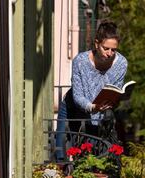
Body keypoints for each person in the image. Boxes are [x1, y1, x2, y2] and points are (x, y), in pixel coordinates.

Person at [55, 21, 128, 160]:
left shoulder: (121, 63)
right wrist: (92, 107)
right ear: (96, 44)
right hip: (72, 108)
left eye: (114, 50)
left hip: (98, 115)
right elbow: (78, 95)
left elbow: (115, 90)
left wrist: (115, 100)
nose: (109, 53)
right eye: (106, 48)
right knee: (62, 155)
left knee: (91, 157)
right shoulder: (80, 61)